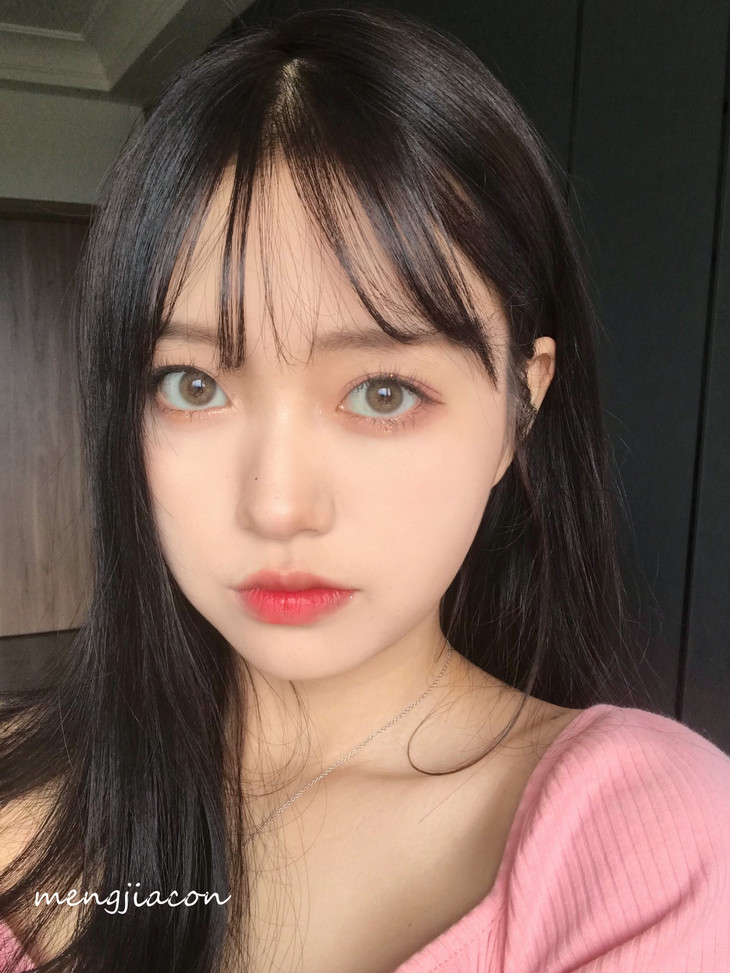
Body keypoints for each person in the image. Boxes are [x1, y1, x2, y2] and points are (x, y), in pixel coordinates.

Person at [1, 5, 728, 972]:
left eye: (383, 392)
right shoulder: (20, 790)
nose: (277, 506)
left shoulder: (654, 847)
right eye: (193, 385)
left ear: (520, 407)